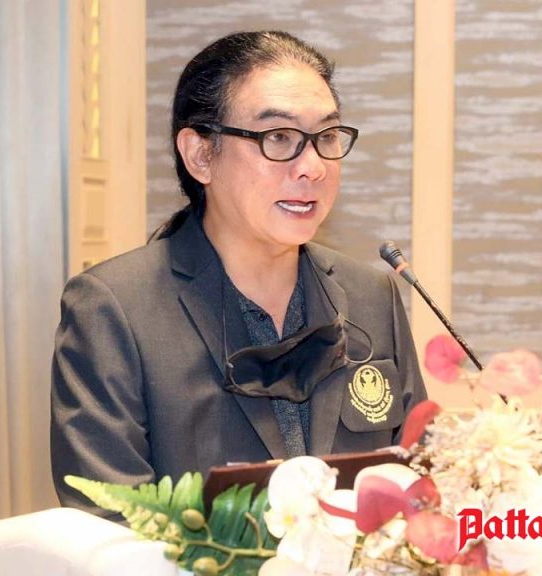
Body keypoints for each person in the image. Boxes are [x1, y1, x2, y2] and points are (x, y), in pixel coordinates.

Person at [51, 30, 427, 516]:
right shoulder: (113, 309)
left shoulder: (372, 295)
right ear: (200, 155)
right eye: (278, 138)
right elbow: (109, 523)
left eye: (326, 137)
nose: (313, 167)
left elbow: (419, 486)